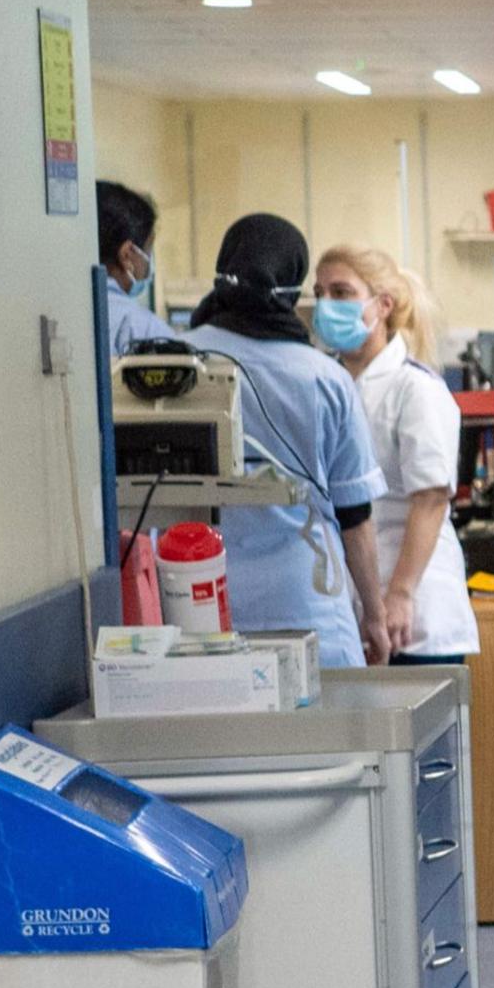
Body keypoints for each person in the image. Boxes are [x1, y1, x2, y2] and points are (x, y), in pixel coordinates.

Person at [182, 213, 388, 669]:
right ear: (292, 285)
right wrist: (375, 616)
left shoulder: (180, 361)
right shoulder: (325, 378)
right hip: (308, 605)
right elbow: (355, 514)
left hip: (201, 603)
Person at [311, 244, 479, 665]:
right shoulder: (326, 383)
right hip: (352, 607)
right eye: (320, 293)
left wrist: (400, 595)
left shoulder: (415, 388)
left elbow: (431, 498)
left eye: (341, 292)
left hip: (412, 608)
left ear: (382, 305)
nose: (326, 304)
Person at [98, 180, 176, 356]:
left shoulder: (61, 309)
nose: (149, 261)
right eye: (149, 249)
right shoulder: (145, 329)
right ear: (127, 256)